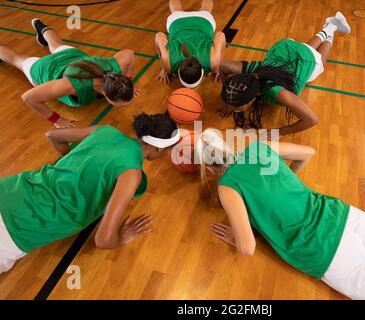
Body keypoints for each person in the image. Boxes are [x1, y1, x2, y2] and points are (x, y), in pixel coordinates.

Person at [195, 128, 365, 300]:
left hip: (325, 249)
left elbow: (248, 247)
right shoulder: (258, 149)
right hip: (343, 215)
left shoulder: (227, 186)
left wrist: (237, 236)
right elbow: (308, 153)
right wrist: (285, 184)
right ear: (227, 145)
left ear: (207, 166)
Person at [0, 113, 180, 274]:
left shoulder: (106, 131)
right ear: (158, 148)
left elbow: (52, 135)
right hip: (15, 231)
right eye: (168, 150)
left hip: (10, 189)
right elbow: (103, 240)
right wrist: (124, 236)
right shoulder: (131, 174)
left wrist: (74, 165)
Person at [218, 12, 351, 137]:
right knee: (305, 48)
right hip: (285, 48)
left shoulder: (277, 92)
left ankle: (332, 27)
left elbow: (312, 120)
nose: (235, 110)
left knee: (319, 62)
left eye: (237, 106)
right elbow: (222, 66)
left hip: (305, 59)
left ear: (252, 98)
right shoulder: (248, 74)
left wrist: (279, 132)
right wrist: (231, 99)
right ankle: (329, 24)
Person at [0, 18, 137, 128]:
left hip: (71, 56)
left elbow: (129, 53)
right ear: (107, 96)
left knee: (55, 43)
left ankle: (39, 24)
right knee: (16, 59)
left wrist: (126, 81)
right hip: (46, 69)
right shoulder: (74, 85)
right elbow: (29, 97)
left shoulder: (115, 69)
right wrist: (57, 119)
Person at [155, 0, 226, 88]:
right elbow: (159, 36)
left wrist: (219, 66)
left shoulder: (214, 63)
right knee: (176, 10)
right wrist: (164, 67)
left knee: (206, 9)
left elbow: (220, 35)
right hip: (177, 21)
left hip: (203, 22)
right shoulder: (168, 64)